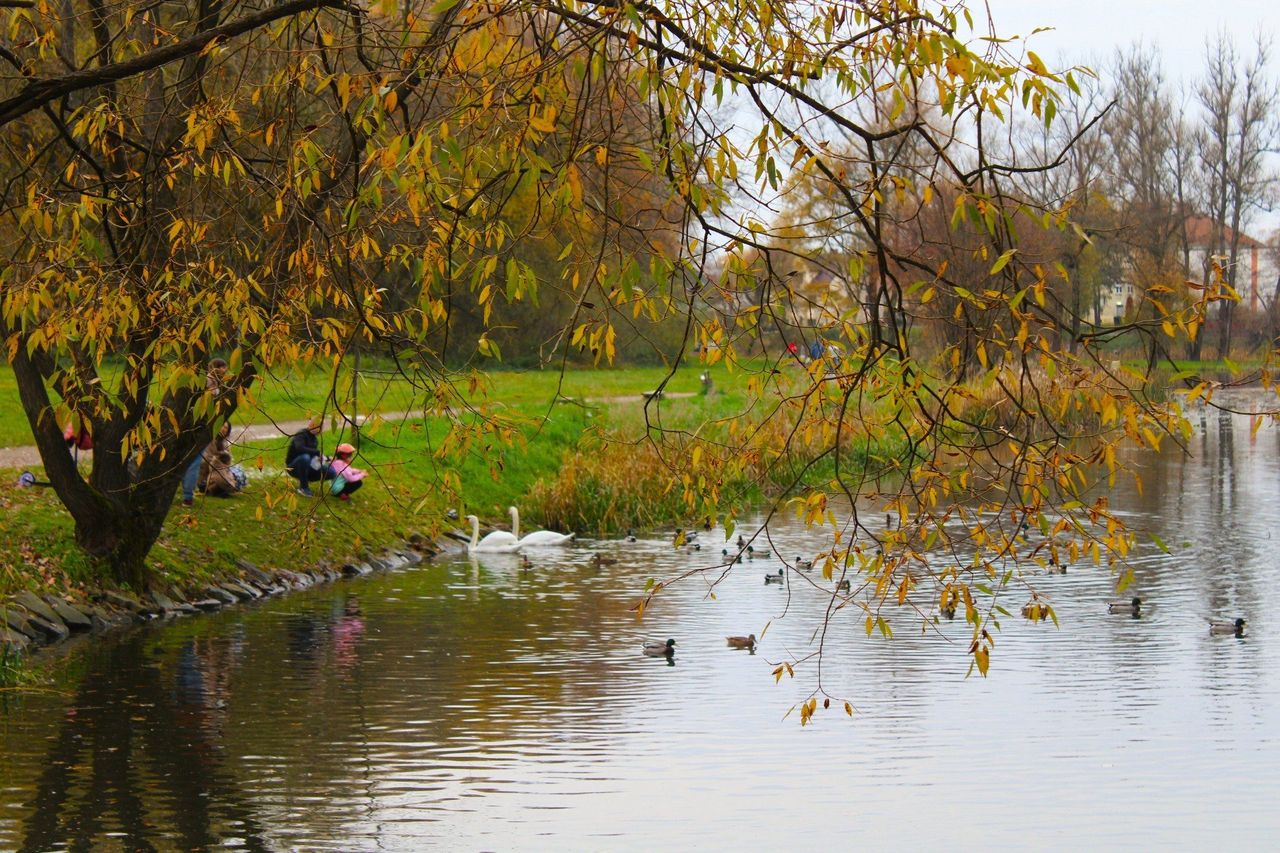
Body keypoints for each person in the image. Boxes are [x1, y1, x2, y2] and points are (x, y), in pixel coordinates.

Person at [181, 358, 228, 507]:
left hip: (197, 426)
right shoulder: (209, 383)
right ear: (215, 368)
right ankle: (188, 496)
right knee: (194, 461)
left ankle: (185, 491)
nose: (225, 371)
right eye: (222, 368)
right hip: (200, 427)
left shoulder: (212, 383)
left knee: (188, 459)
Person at [286, 419, 333, 496]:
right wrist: (317, 452)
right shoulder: (301, 434)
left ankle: (305, 478)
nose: (318, 429)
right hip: (293, 467)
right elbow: (300, 448)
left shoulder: (315, 440)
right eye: (315, 426)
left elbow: (313, 456)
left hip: (306, 466)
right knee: (305, 457)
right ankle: (303, 487)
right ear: (310, 425)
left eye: (320, 427)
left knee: (331, 472)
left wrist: (326, 458)